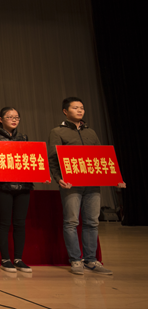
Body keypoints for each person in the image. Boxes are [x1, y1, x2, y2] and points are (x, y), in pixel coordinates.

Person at [48, 97, 126, 275]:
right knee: (71, 221)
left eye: (82, 108)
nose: (80, 110)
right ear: (65, 111)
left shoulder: (90, 132)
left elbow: (101, 157)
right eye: (75, 107)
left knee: (92, 222)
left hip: (92, 183)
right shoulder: (57, 131)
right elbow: (53, 158)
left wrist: (114, 178)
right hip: (70, 184)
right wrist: (58, 179)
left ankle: (91, 260)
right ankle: (75, 260)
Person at [0, 107, 33, 273]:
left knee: (20, 223)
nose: (14, 120)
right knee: (4, 222)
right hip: (2, 186)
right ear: (1, 119)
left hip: (23, 186)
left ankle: (18, 258)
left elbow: (30, 159)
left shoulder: (24, 138)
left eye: (17, 117)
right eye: (10, 117)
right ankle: (5, 259)